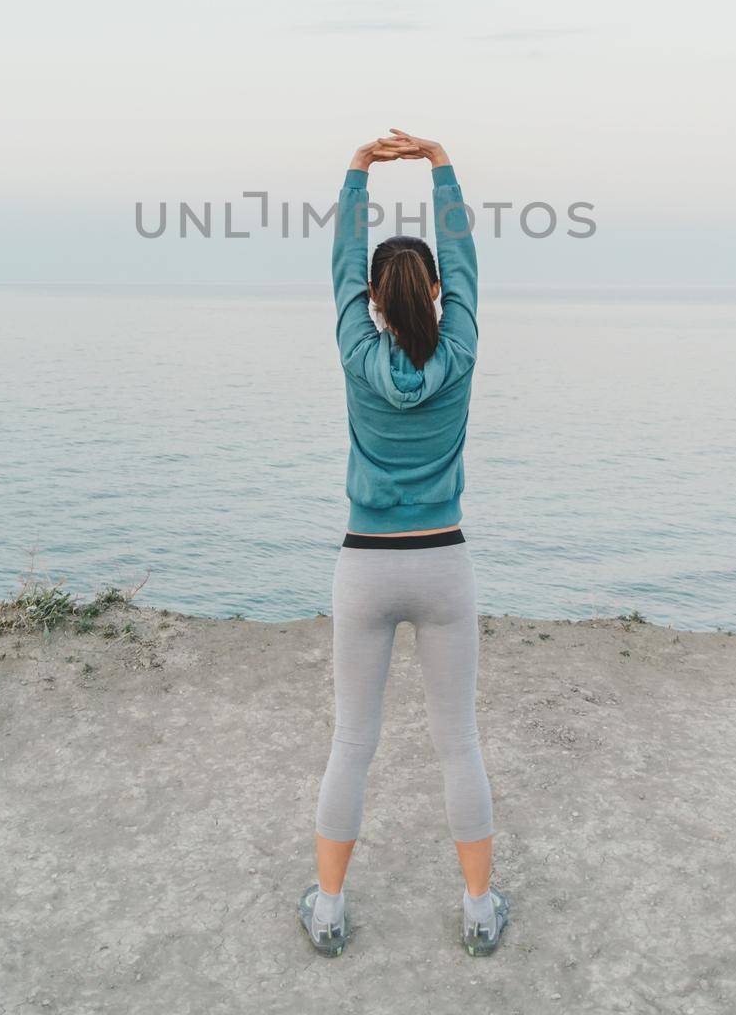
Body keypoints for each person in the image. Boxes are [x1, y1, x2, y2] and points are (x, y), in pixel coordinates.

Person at [297, 128, 509, 957]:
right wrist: (440, 164)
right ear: (434, 294)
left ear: (375, 300)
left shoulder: (357, 351)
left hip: (365, 565)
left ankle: (327, 907)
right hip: (443, 562)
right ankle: (478, 909)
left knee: (352, 741)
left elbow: (344, 265)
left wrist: (357, 171)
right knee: (458, 741)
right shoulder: (459, 350)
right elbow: (465, 269)